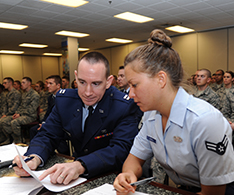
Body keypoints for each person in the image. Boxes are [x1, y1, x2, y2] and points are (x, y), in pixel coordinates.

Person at [113, 29, 234, 195]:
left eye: (135, 85)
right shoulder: (151, 115)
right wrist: (128, 175)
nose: (130, 94)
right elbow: (134, 159)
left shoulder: (205, 121)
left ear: (161, 79)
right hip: (185, 194)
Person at [13, 52, 142, 185]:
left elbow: (120, 149)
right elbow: (48, 134)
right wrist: (34, 158)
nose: (87, 92)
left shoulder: (123, 106)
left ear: (108, 82)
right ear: (75, 77)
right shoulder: (65, 102)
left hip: (111, 178)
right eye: (82, 82)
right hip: (75, 176)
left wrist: (80, 165)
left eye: (96, 84)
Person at [1, 77, 40, 144]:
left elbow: (31, 109)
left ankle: (19, 141)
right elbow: (20, 106)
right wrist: (17, 113)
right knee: (3, 121)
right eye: (21, 82)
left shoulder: (35, 95)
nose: (21, 84)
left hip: (30, 116)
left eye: (23, 82)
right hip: (22, 114)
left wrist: (20, 114)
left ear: (29, 84)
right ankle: (13, 138)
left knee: (14, 122)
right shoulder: (24, 94)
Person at [0, 77, 21, 144]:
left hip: (14, 114)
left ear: (10, 83)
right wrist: (3, 114)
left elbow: (15, 107)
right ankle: (7, 138)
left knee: (2, 121)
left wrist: (6, 115)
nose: (3, 84)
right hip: (8, 114)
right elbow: (5, 105)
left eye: (5, 83)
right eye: (3, 83)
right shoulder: (7, 93)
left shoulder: (16, 93)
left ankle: (14, 138)